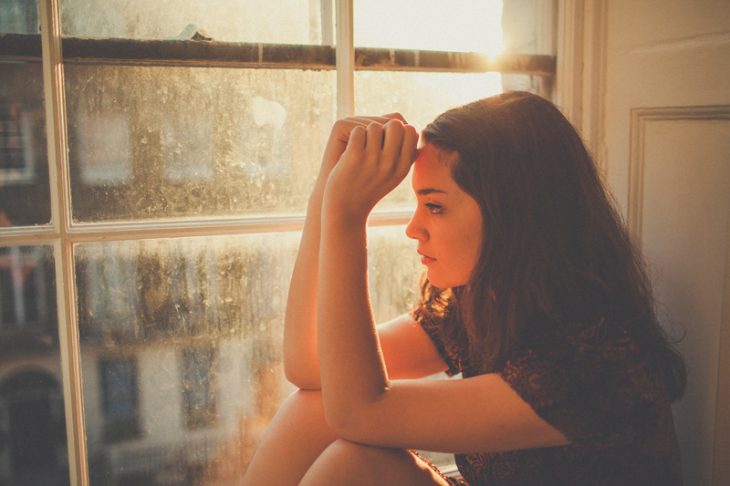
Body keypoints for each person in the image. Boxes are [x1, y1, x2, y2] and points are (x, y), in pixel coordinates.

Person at [241, 91, 686, 485]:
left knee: (351, 461)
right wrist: (327, 187)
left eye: (434, 206)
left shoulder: (591, 361)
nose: (414, 229)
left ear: (513, 217)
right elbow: (310, 365)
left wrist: (346, 217)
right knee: (312, 411)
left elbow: (360, 412)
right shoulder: (485, 303)